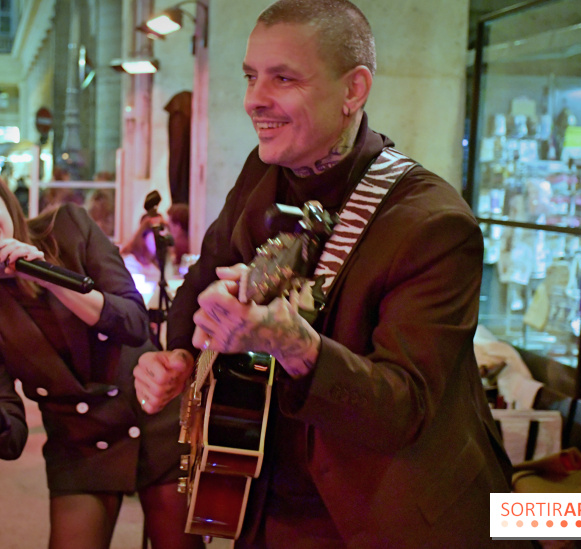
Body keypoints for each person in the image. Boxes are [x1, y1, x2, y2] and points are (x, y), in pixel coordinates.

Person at [133, 1, 525, 547]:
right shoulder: (263, 170)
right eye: (250, 76)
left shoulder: (433, 225)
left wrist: (299, 349)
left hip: (383, 516)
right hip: (264, 498)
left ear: (353, 90)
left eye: (284, 78)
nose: (254, 100)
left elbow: (403, 410)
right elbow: (204, 274)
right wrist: (177, 354)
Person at [0, 154, 202, 549]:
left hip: (154, 414)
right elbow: (11, 438)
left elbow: (133, 323)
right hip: (80, 443)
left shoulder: (69, 226)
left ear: (4, 199)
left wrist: (49, 277)